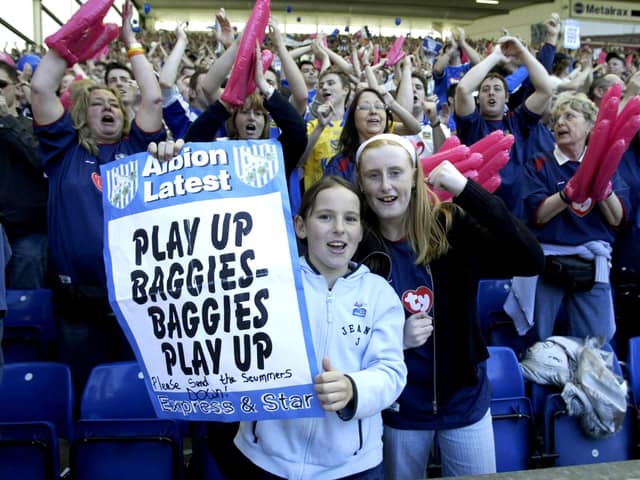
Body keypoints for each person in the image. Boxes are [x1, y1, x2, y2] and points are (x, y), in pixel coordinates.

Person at [352, 133, 544, 479]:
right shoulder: (358, 246)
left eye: (396, 173)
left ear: (414, 176)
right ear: (361, 184)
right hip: (399, 407)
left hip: (463, 401)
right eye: (373, 175)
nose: (385, 186)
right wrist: (396, 338)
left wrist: (468, 192)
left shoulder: (451, 227)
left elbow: (530, 259)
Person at [30, 0, 166, 394]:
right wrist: (74, 37)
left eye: (115, 105)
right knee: (84, 395)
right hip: (77, 305)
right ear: (81, 115)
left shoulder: (137, 150)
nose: (108, 108)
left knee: (134, 393)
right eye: (97, 105)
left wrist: (129, 40)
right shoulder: (63, 150)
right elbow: (41, 86)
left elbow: (153, 99)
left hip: (134, 301)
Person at [234, 175, 407, 479]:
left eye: (350, 218)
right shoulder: (267, 282)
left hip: (353, 468)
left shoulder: (379, 293)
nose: (339, 227)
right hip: (263, 461)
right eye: (325, 216)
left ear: (360, 230)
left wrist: (354, 388)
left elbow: (391, 371)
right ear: (301, 226)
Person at [521, 93, 628, 343]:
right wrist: (569, 193)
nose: (560, 123)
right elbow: (538, 214)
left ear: (591, 125)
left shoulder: (608, 164)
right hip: (549, 263)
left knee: (597, 340)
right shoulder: (539, 163)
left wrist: (602, 188)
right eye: (557, 118)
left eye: (569, 116)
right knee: (539, 340)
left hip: (592, 265)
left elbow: (617, 219)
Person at [184, 42, 307, 181]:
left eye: (259, 114)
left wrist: (263, 84)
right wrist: (223, 105)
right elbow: (191, 144)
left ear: (266, 122)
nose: (252, 118)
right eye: (244, 112)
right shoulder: (219, 152)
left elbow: (298, 131)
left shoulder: (278, 152)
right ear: (234, 120)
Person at [0, 58, 48, 288]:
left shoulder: (32, 125)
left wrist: (6, 121)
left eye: (1, 85)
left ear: (17, 88)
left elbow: (41, 160)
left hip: (27, 233)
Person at [323, 87, 421, 184]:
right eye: (365, 107)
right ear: (352, 117)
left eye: (379, 106)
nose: (373, 111)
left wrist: (392, 104)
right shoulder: (339, 164)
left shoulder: (399, 158)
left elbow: (416, 128)